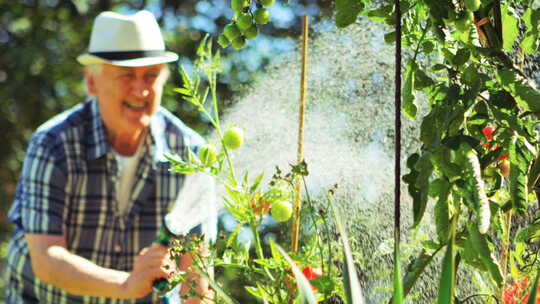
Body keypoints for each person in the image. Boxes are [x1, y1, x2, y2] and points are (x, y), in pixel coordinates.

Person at [5, 10, 215, 304]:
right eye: (127, 75)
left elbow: (197, 277)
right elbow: (46, 258)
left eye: (151, 76)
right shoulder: (53, 144)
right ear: (92, 82)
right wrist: (126, 285)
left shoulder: (190, 153)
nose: (141, 89)